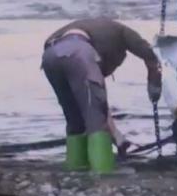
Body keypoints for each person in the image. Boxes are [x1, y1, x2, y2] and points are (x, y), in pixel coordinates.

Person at [41, 18, 162, 173]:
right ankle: (103, 173)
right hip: (79, 53)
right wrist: (154, 86)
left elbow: (100, 103)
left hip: (50, 56)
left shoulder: (93, 31)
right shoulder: (123, 32)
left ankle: (76, 168)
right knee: (96, 121)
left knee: (75, 120)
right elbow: (151, 56)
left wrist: (118, 137)